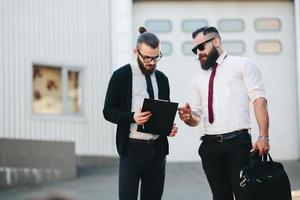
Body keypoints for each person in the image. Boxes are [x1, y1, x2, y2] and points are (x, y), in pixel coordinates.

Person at [178, 26, 270, 200]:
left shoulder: (243, 65)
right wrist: (189, 117)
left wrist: (263, 136)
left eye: (201, 47)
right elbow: (196, 117)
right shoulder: (198, 78)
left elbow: (259, 100)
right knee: (220, 196)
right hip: (210, 147)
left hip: (238, 145)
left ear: (216, 41)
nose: (198, 53)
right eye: (194, 50)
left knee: (246, 195)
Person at [103, 26, 177, 200]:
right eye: (147, 58)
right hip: (131, 150)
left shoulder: (162, 79)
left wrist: (168, 128)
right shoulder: (121, 76)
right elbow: (108, 111)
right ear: (136, 52)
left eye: (156, 57)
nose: (151, 62)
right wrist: (132, 117)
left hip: (157, 151)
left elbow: (162, 111)